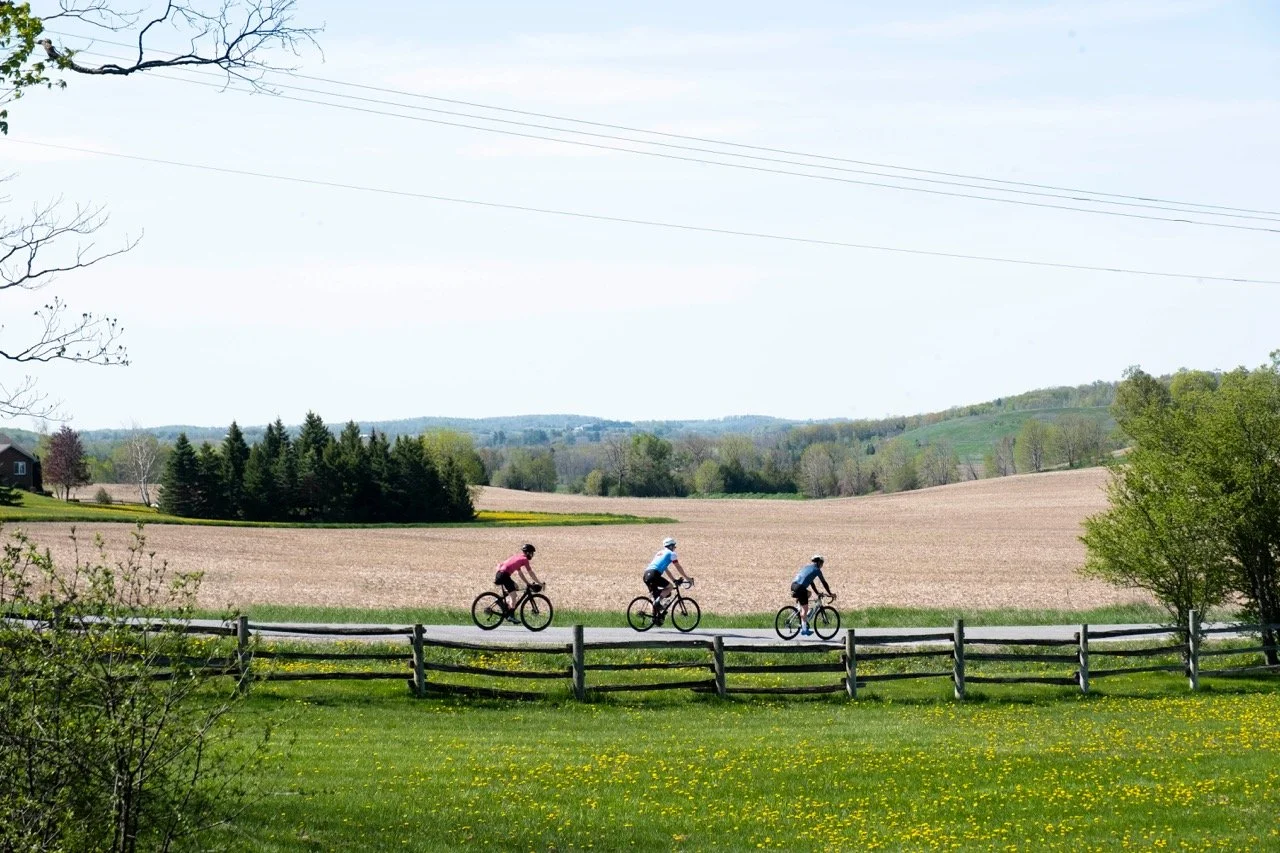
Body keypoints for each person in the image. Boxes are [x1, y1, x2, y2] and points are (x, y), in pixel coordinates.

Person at [643, 537, 692, 623]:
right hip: (654, 574)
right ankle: (658, 602)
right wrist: (687, 578)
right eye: (674, 546)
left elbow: (666, 569)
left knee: (653, 596)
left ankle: (655, 618)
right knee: (670, 587)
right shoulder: (671, 554)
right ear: (671, 546)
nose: (675, 548)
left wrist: (673, 579)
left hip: (646, 575)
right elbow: (678, 567)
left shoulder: (659, 553)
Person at [494, 543, 542, 622]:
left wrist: (528, 583)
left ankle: (504, 605)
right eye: (531, 553)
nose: (532, 555)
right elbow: (531, 573)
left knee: (515, 587)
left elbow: (520, 573)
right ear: (527, 553)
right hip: (504, 575)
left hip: (501, 574)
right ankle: (511, 616)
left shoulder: (518, 557)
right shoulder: (524, 559)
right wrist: (539, 583)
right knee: (514, 595)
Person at [791, 555, 835, 636]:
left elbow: (812, 583)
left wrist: (817, 593)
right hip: (800, 588)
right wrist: (830, 594)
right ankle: (804, 630)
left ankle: (799, 607)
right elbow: (824, 583)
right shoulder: (817, 570)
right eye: (822, 563)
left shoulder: (808, 567)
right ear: (818, 562)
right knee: (805, 609)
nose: (822, 565)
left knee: (809, 594)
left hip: (794, 585)